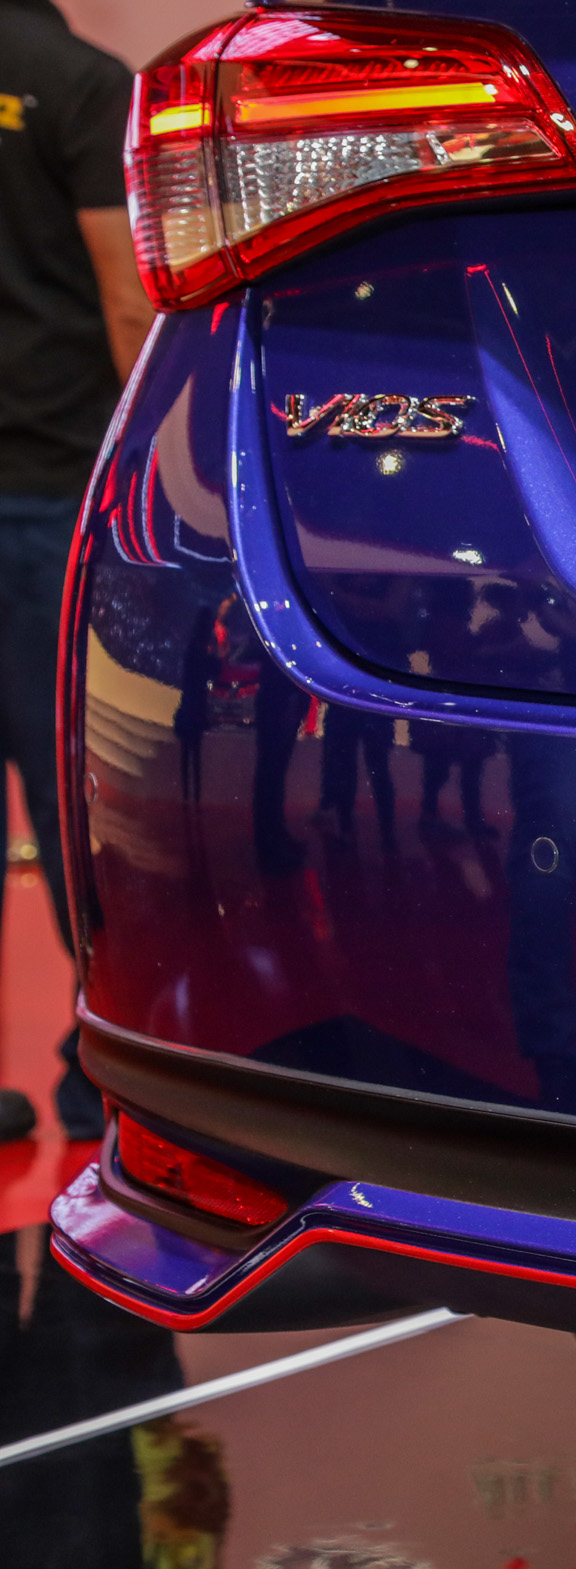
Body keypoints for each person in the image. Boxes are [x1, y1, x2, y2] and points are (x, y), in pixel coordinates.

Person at [0, 0, 150, 1143]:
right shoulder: (83, 85)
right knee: (75, 797)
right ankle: (101, 1074)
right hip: (53, 489)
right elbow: (128, 301)